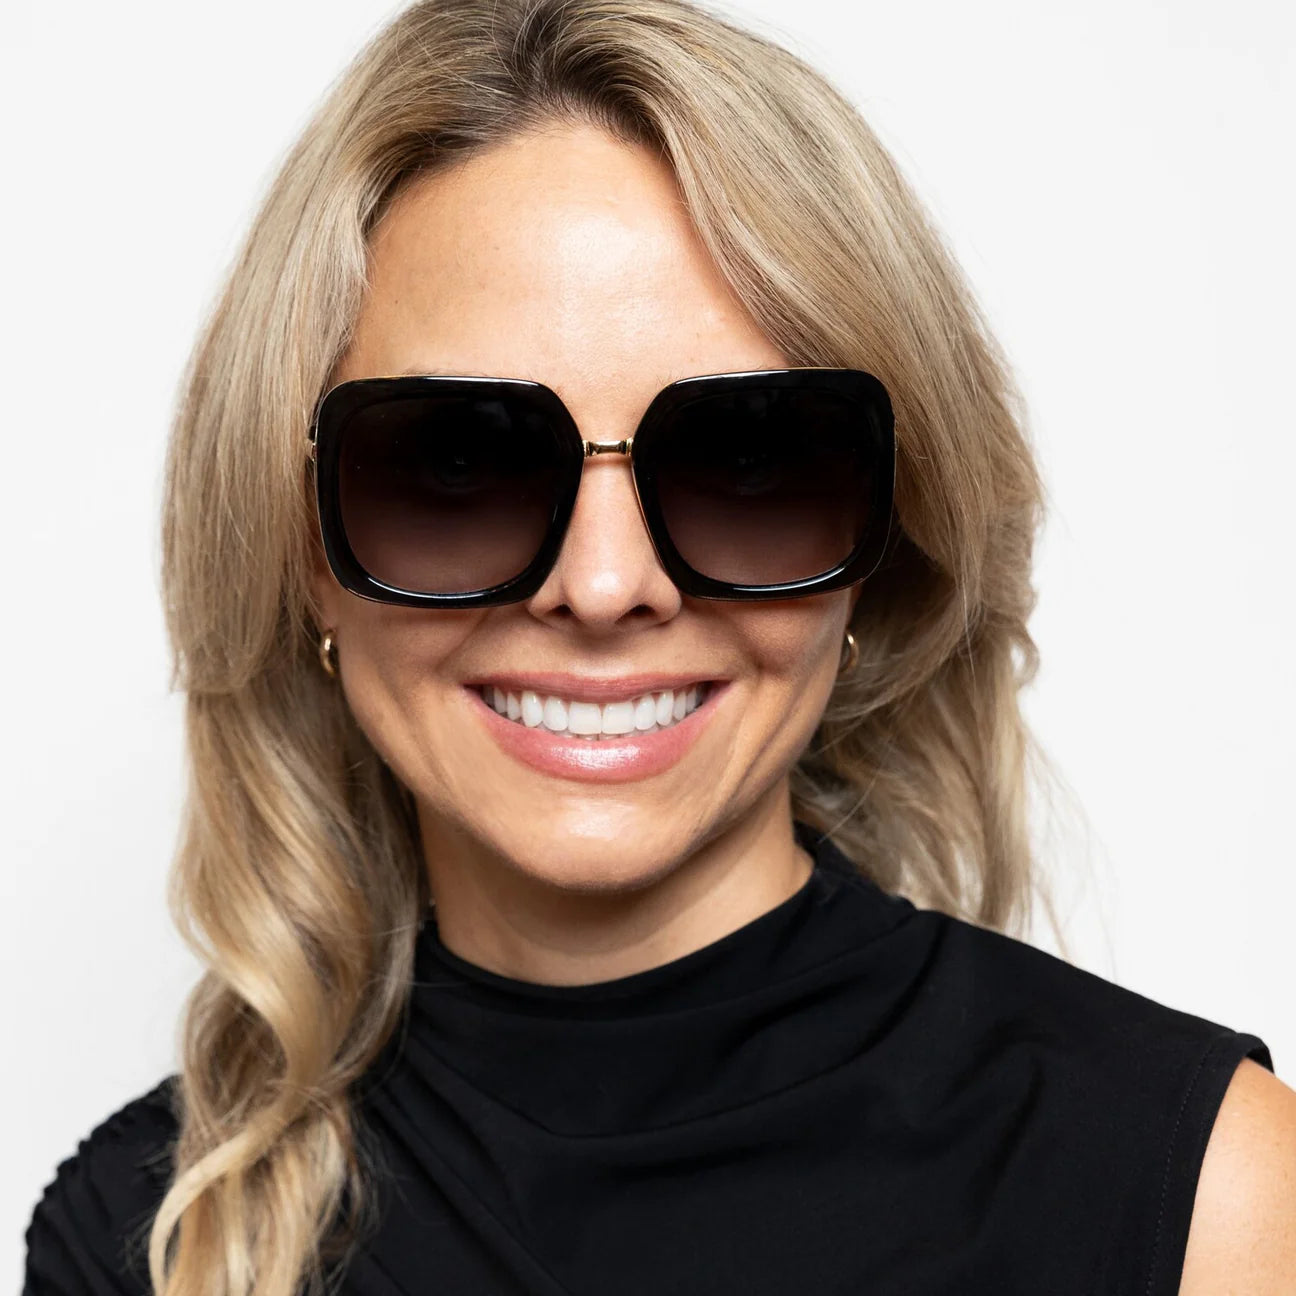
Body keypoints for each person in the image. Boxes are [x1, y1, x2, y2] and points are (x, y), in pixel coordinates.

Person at [22, 1, 1295, 1293]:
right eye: (454, 463)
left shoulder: (1206, 1197)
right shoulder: (142, 1243)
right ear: (307, 548)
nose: (603, 585)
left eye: (749, 460)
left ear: (881, 543)